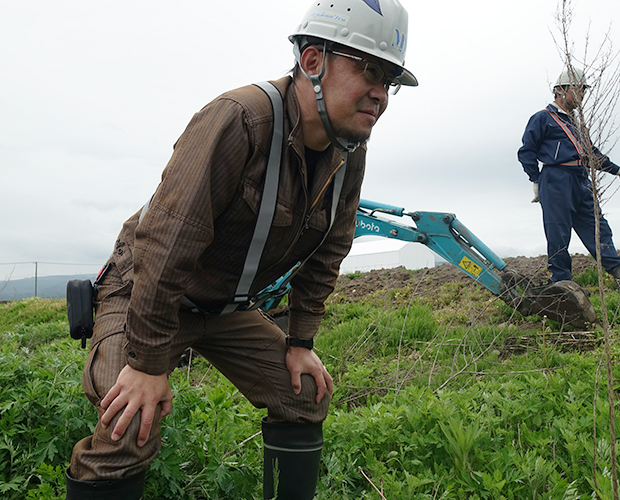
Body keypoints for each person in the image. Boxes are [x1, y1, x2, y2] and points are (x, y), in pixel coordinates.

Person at [65, 1, 418, 498]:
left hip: (227, 307)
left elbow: (328, 252)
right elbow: (165, 248)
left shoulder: (348, 150)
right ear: (313, 61)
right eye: (368, 70)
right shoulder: (240, 119)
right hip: (146, 293)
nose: (381, 93)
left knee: (306, 395)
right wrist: (146, 365)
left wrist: (300, 342)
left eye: (391, 80)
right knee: (129, 422)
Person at [517, 68, 620, 284]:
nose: (583, 95)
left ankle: (617, 270)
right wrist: (536, 179)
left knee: (598, 226)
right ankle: (562, 282)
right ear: (561, 90)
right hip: (556, 179)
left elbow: (592, 155)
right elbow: (526, 152)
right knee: (558, 231)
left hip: (580, 179)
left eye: (584, 90)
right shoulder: (542, 118)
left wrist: (617, 170)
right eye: (580, 90)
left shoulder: (577, 123)